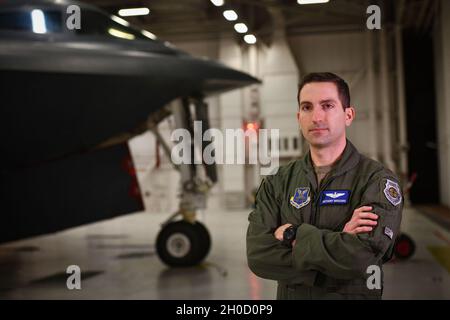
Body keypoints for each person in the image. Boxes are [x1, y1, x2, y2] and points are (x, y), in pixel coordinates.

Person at [246, 72, 403, 299]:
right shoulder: (277, 182)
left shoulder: (376, 181)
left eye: (327, 105)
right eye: (307, 107)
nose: (317, 117)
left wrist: (294, 234)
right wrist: (338, 246)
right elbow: (258, 256)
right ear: (298, 116)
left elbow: (360, 257)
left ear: (348, 115)